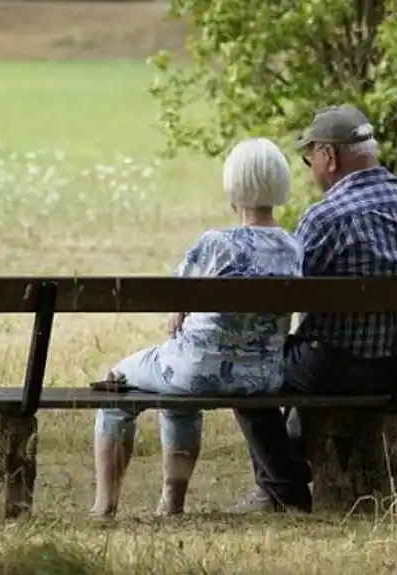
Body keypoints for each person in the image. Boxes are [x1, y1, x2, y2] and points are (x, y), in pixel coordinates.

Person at [230, 105, 397, 514]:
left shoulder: (325, 218)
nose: (312, 169)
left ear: (329, 156)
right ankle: (285, 477)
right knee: (302, 358)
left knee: (245, 370)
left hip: (332, 367)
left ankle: (283, 488)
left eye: (310, 159)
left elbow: (284, 292)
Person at [91, 137, 303, 517]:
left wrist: (181, 311)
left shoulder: (216, 244)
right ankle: (170, 504)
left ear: (232, 188)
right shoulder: (293, 247)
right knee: (176, 393)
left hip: (196, 371)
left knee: (117, 383)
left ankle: (104, 506)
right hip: (262, 377)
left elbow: (176, 300)